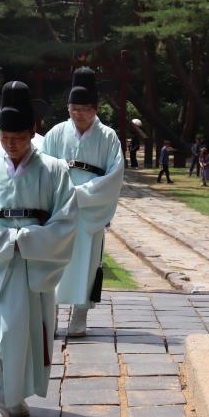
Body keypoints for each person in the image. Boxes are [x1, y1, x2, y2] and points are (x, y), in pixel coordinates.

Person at [0, 81, 77, 417]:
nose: (11, 144)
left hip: (32, 266)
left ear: (33, 131)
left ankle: (12, 398)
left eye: (18, 137)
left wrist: (25, 240)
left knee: (25, 333)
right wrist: (4, 241)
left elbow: (65, 220)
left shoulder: (55, 170)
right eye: (5, 136)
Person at [41, 68, 124, 337]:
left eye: (84, 108)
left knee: (87, 264)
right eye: (74, 108)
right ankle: (50, 315)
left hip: (90, 213)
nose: (78, 114)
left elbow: (114, 175)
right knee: (54, 263)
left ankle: (79, 316)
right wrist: (60, 196)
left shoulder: (108, 137)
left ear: (96, 108)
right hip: (59, 210)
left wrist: (79, 194)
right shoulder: (55, 133)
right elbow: (42, 170)